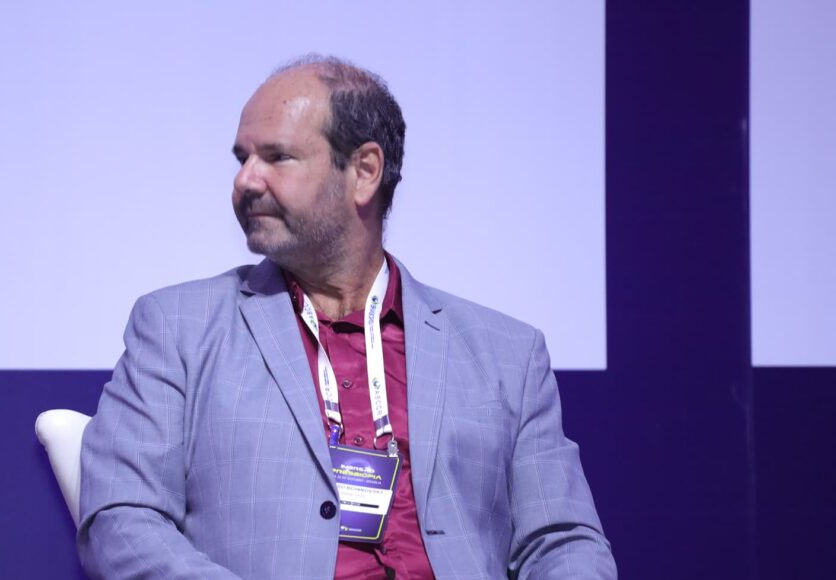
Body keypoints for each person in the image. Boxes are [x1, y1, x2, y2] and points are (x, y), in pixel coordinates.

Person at [78, 55, 616, 579]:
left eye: (277, 157)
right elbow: (122, 520)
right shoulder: (178, 328)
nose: (245, 180)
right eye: (242, 158)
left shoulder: (507, 354)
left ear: (364, 172)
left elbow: (562, 540)